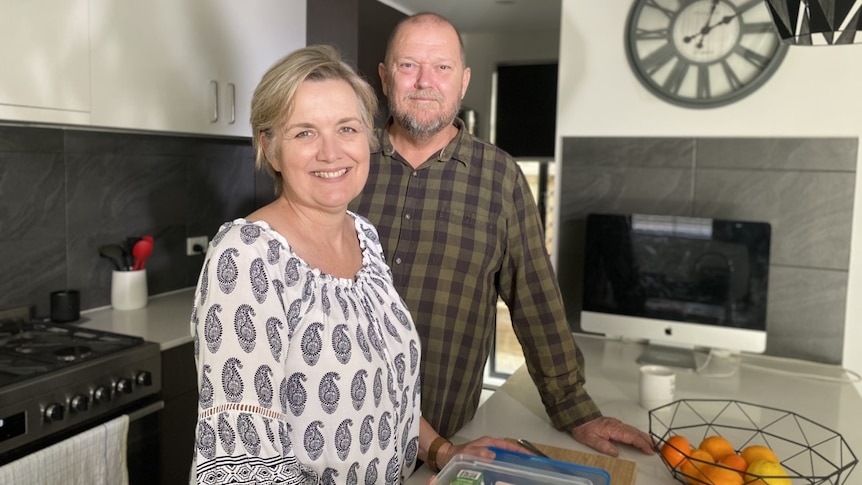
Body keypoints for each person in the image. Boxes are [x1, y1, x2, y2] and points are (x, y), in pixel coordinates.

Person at [190, 44, 523, 484]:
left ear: (368, 138)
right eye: (304, 132)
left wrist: (443, 450)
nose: (331, 152)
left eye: (346, 128)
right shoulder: (247, 258)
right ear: (269, 149)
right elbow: (243, 468)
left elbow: (385, 393)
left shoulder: (363, 236)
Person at [349, 13, 656, 461]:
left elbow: (535, 298)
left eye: (442, 67)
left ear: (464, 81)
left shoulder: (500, 177)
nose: (424, 82)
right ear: (384, 75)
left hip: (444, 443)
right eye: (408, 65)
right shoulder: (345, 163)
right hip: (335, 421)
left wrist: (575, 409)